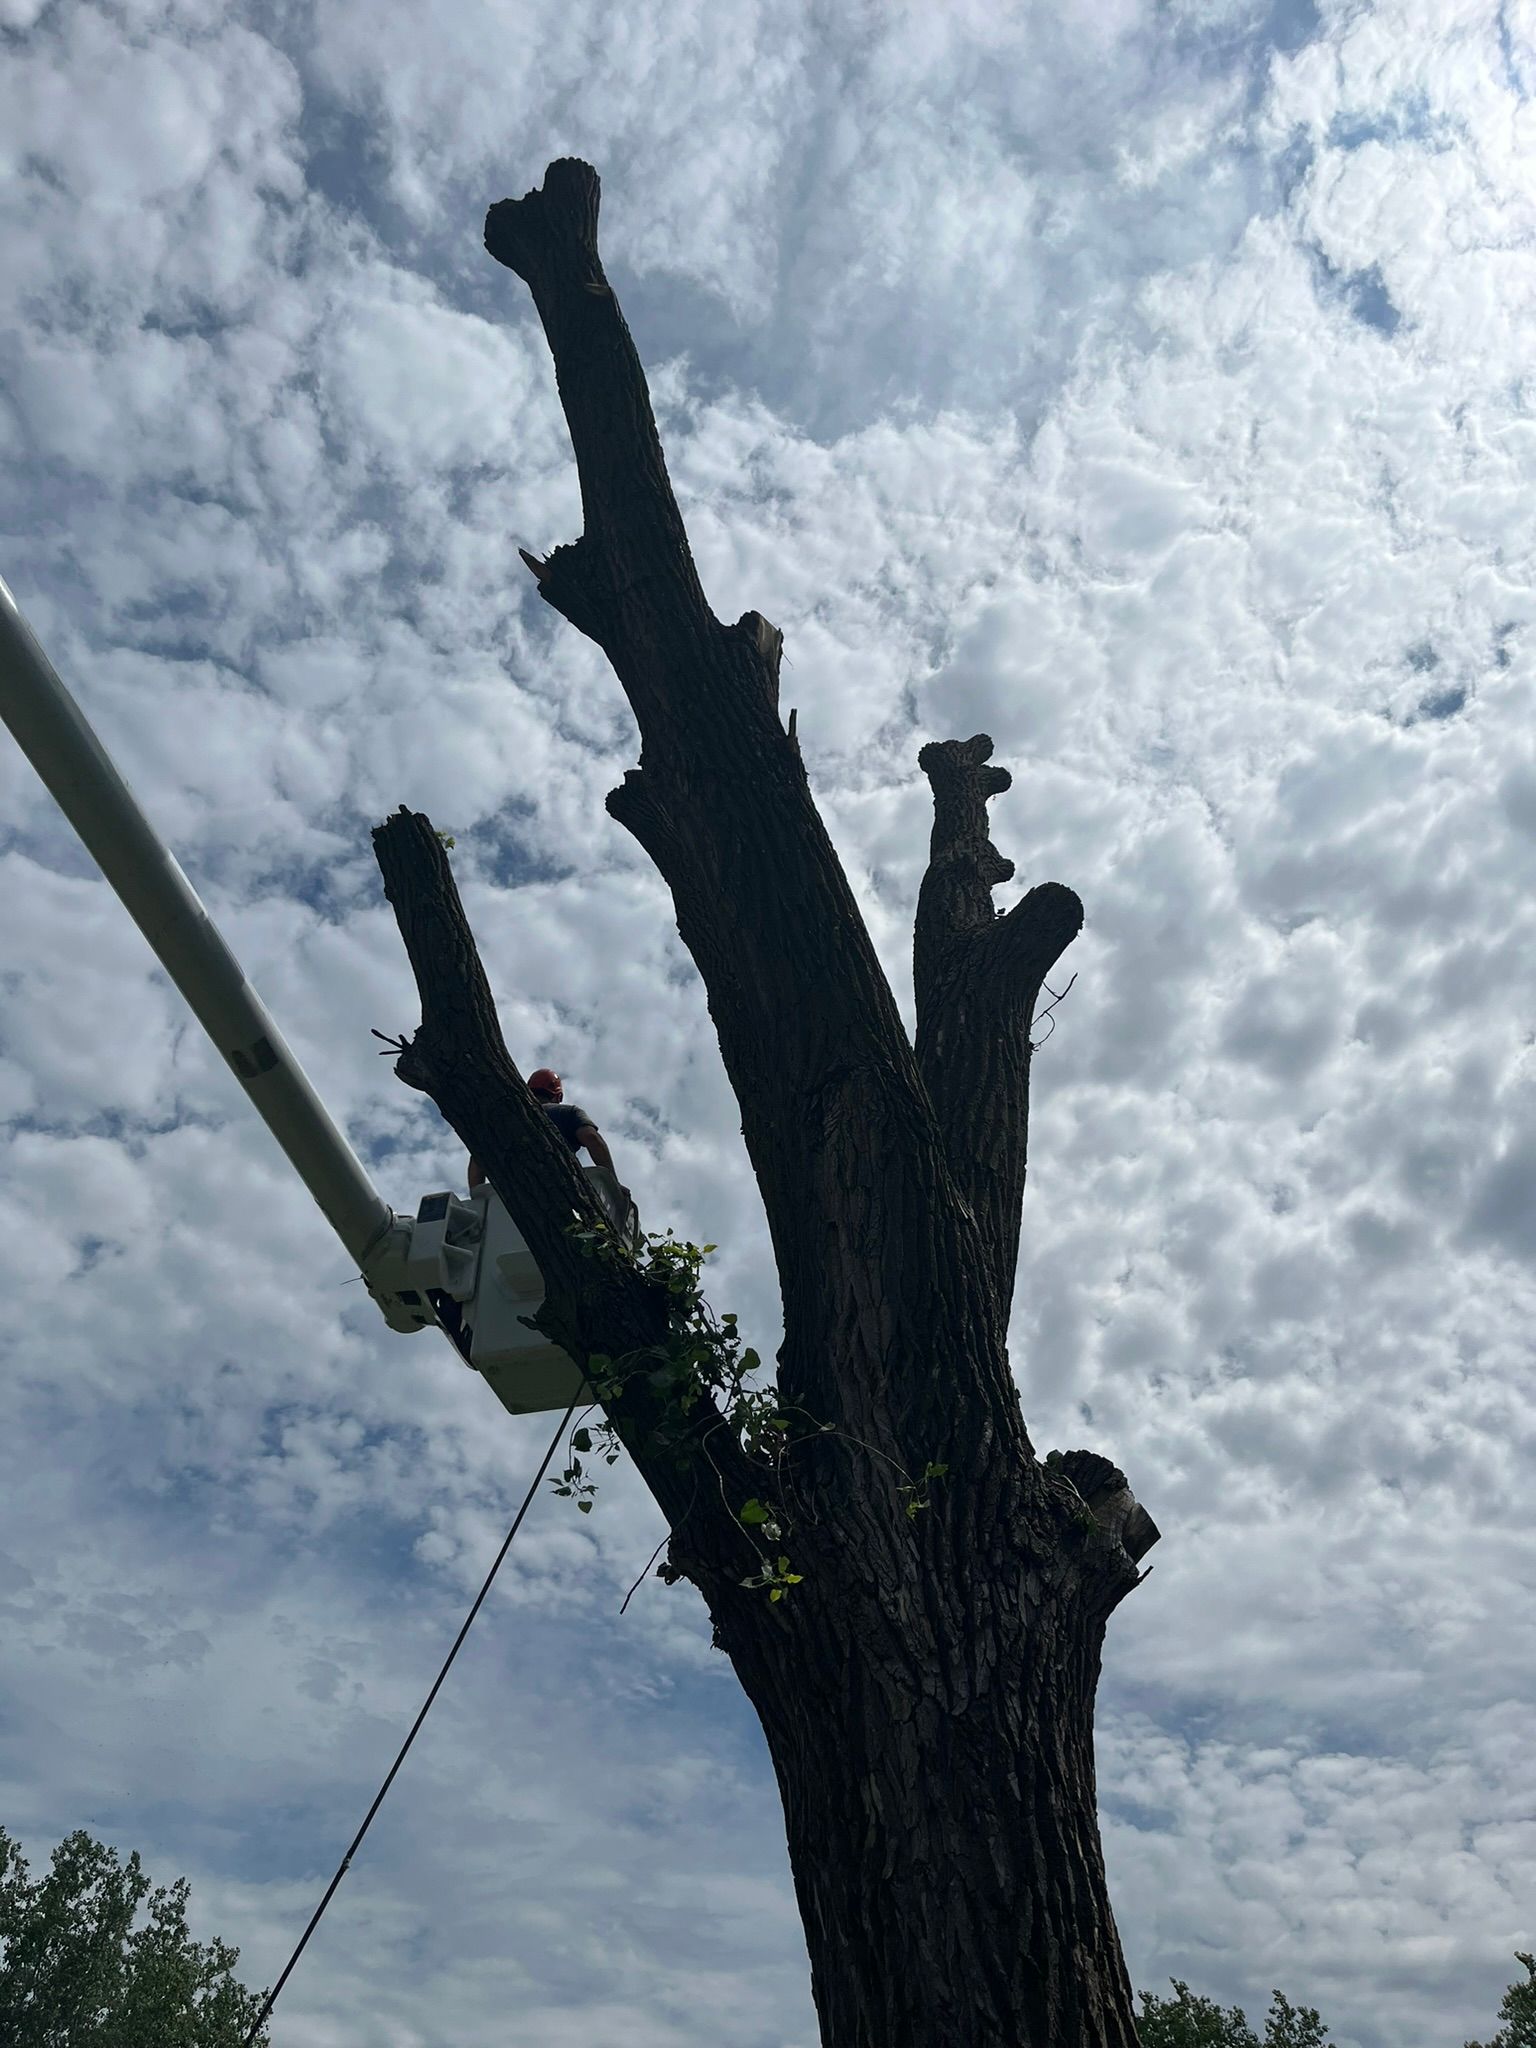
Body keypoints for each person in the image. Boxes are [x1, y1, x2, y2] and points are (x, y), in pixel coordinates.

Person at [467, 1067, 626, 1205]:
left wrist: (479, 1200)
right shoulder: (568, 1113)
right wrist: (614, 1186)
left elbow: (477, 1159)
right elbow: (593, 1139)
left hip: (507, 1202)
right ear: (558, 1097)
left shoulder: (504, 1122)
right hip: (561, 1193)